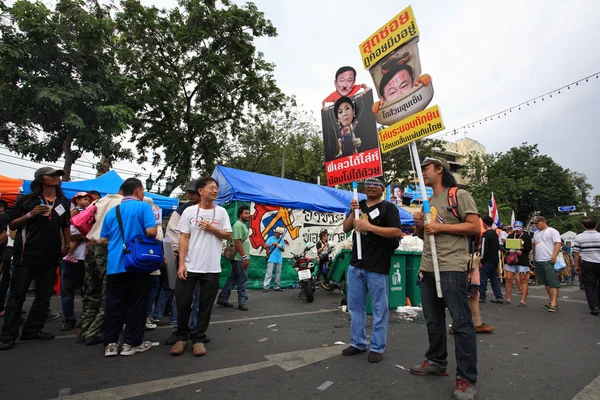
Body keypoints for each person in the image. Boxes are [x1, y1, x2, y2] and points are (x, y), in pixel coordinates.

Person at [409, 158, 479, 400]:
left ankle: (466, 379)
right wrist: (419, 226)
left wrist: (440, 228)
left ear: (439, 169)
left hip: (452, 266)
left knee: (461, 323)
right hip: (427, 267)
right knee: (433, 319)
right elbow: (423, 237)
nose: (423, 174)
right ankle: (437, 361)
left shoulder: (458, 195)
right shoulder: (427, 202)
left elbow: (474, 227)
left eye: (425, 169)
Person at [0, 167, 71, 351]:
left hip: (51, 255)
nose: (55, 178)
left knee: (43, 296)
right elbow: (12, 224)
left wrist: (67, 245)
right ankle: (8, 334)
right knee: (17, 296)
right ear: (41, 178)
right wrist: (32, 214)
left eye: (57, 176)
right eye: (51, 175)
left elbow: (65, 225)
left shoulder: (62, 201)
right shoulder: (27, 200)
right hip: (26, 254)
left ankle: (32, 329)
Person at [341, 177, 402, 364]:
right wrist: (353, 213)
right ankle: (358, 342)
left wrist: (369, 227)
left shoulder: (389, 208)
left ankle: (377, 346)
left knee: (379, 309)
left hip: (377, 266)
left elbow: (396, 232)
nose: (371, 187)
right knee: (355, 307)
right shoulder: (357, 204)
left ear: (383, 189)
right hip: (356, 264)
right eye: (368, 183)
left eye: (376, 184)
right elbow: (345, 228)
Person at [170, 177, 232, 357]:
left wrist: (212, 229)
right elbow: (183, 238)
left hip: (211, 268)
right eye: (211, 188)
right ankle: (181, 337)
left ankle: (198, 338)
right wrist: (181, 263)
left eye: (216, 188)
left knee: (205, 305)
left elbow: (228, 235)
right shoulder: (189, 211)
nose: (215, 191)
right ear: (200, 191)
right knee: (182, 302)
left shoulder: (221, 213)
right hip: (189, 266)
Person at [100, 178, 157, 357]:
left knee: (114, 304)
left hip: (115, 265)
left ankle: (110, 344)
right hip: (137, 265)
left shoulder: (111, 211)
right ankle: (131, 343)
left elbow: (103, 239)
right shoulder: (143, 207)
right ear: (139, 190)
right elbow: (151, 231)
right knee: (136, 304)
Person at [155, 180, 202, 345]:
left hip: (203, 261)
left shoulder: (214, 211)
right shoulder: (182, 211)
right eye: (188, 193)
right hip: (184, 259)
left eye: (192, 193)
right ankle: (178, 331)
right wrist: (174, 254)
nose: (189, 196)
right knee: (180, 297)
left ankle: (196, 331)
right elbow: (172, 234)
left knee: (200, 298)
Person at [77, 190, 123, 345]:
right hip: (106, 248)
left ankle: (83, 329)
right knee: (108, 290)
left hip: (90, 247)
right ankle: (94, 331)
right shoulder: (122, 204)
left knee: (91, 290)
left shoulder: (98, 202)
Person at [217, 205, 251, 311]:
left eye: (248, 213)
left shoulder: (242, 225)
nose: (248, 215)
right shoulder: (238, 225)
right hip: (239, 258)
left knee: (233, 278)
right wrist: (244, 257)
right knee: (242, 279)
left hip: (239, 257)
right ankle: (242, 302)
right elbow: (237, 242)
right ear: (240, 214)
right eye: (245, 213)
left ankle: (223, 298)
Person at [532, 216, 562, 313]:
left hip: (549, 260)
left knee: (553, 282)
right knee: (546, 282)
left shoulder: (552, 231)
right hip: (539, 260)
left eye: (537, 223)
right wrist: (534, 256)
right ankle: (551, 301)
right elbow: (534, 245)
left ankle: (554, 303)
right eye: (535, 224)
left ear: (543, 222)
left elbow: (558, 243)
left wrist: (554, 256)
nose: (536, 225)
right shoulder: (536, 233)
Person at [143, 196, 164, 330]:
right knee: (152, 288)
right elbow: (159, 237)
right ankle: (144, 317)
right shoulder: (153, 213)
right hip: (151, 258)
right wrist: (160, 226)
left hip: (134, 258)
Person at [573, 217, 600, 315]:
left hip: (587, 264)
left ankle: (594, 306)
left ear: (583, 226)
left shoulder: (579, 237)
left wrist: (576, 265)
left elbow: (576, 253)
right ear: (596, 225)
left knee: (590, 286)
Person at [504, 221, 532, 306]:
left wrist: (521, 247)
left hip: (522, 260)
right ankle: (508, 298)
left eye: (519, 230)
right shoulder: (511, 236)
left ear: (522, 229)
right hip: (511, 259)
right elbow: (505, 246)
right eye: (516, 230)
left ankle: (523, 300)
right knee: (508, 279)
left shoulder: (526, 236)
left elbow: (528, 248)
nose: (517, 231)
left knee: (523, 279)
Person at [479, 216, 505, 304]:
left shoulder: (485, 235)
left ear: (484, 224)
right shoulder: (495, 233)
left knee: (483, 278)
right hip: (495, 259)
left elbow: (483, 249)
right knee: (494, 278)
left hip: (487, 260)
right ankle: (499, 296)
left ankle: (482, 296)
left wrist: (481, 260)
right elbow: (498, 246)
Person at [263, 226, 286, 292]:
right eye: (277, 232)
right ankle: (266, 286)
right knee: (269, 273)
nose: (278, 234)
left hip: (279, 258)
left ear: (281, 234)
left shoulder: (282, 240)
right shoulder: (270, 238)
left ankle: (277, 286)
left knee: (278, 273)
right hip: (271, 258)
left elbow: (283, 250)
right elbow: (265, 246)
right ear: (275, 232)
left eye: (279, 233)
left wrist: (280, 247)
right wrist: (272, 244)